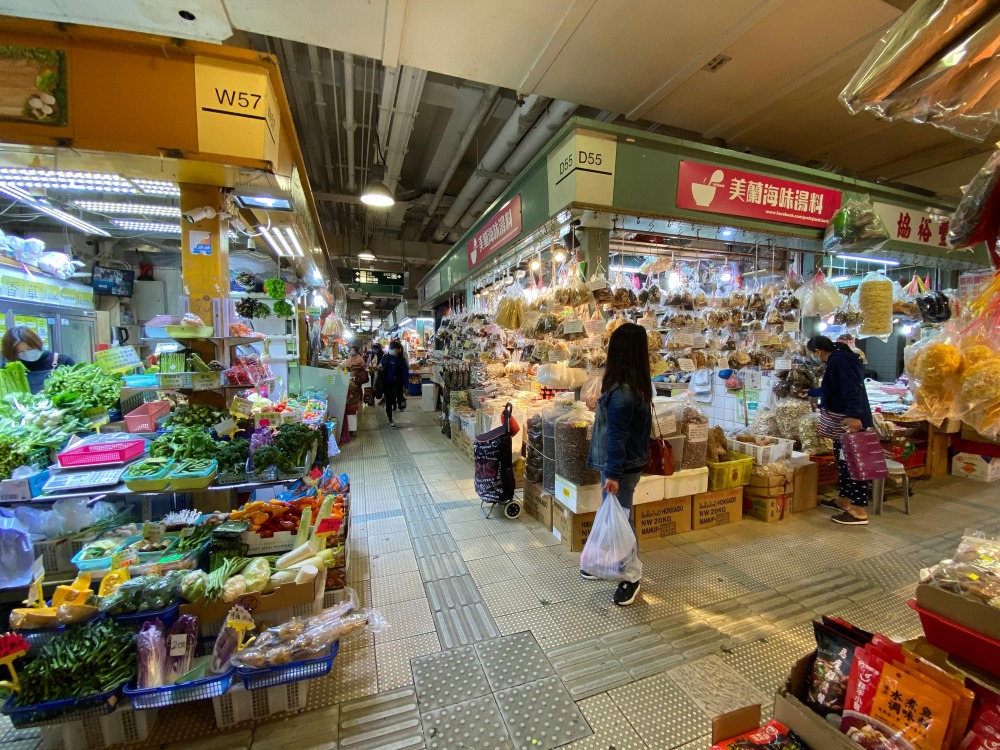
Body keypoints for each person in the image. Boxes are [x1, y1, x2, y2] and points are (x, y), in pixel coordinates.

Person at [584, 322, 653, 606]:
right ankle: (611, 563)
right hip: (623, 466)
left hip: (620, 469)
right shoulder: (633, 386)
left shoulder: (623, 392)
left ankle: (631, 577)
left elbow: (617, 436)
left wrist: (612, 474)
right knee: (618, 516)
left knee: (622, 519)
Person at [807, 335, 874, 526]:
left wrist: (854, 416)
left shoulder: (840, 361)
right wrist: (811, 392)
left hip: (850, 422)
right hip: (842, 423)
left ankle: (859, 511)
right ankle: (844, 501)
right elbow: (833, 388)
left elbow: (852, 389)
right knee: (844, 462)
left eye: (812, 354)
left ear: (818, 351)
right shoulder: (840, 359)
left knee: (854, 464)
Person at [1, 326, 76, 394]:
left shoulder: (63, 361)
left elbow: (76, 391)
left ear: (38, 343)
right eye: (20, 352)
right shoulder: (9, 368)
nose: (27, 354)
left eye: (30, 349)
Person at [379, 340, 409, 427]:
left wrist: (406, 386)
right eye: (391, 348)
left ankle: (400, 403)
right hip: (386, 383)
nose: (392, 350)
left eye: (393, 348)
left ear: (398, 350)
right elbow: (380, 367)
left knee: (398, 396)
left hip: (397, 383)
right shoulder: (385, 357)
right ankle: (390, 419)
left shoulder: (401, 360)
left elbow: (405, 373)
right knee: (388, 401)